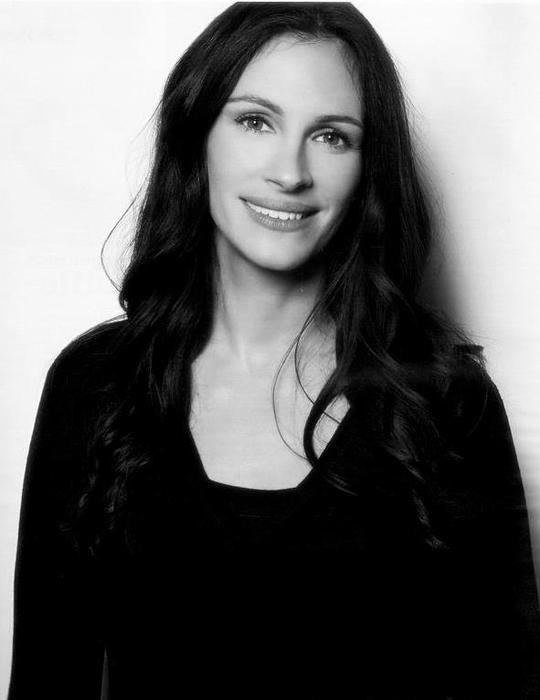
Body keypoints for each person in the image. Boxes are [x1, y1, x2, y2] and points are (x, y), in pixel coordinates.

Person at [8, 2, 540, 698]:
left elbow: (508, 683)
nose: (291, 171)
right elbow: (46, 678)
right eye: (256, 121)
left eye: (332, 136)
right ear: (197, 132)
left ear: (368, 168)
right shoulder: (94, 384)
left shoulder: (446, 401)